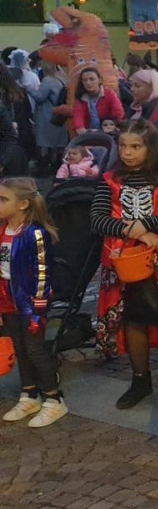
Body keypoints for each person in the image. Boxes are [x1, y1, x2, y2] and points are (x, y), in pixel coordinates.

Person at [91, 120, 158, 408]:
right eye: (123, 146)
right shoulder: (109, 180)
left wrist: (146, 225)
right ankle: (140, 379)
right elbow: (97, 219)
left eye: (136, 146)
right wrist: (131, 230)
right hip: (124, 262)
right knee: (133, 318)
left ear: (152, 147)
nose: (128, 152)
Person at [0, 178, 64, 428]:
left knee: (35, 349)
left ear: (23, 204)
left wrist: (38, 309)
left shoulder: (33, 233)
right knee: (19, 346)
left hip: (29, 300)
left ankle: (54, 397)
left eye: (4, 199)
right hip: (7, 296)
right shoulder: (3, 229)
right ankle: (29, 394)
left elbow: (42, 273)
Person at [30, 60, 67, 175]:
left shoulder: (47, 80)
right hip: (59, 115)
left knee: (44, 141)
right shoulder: (62, 79)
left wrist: (29, 89)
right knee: (58, 142)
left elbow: (40, 97)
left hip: (46, 115)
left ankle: (42, 168)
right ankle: (57, 165)